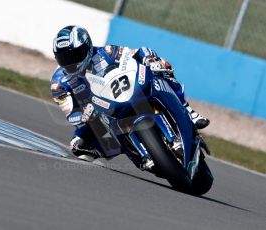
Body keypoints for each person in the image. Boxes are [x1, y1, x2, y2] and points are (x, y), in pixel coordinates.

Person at [50, 25, 210, 169]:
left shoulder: (105, 52)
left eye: (75, 55)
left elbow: (135, 54)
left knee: (157, 62)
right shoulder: (59, 84)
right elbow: (71, 115)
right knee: (78, 146)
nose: (71, 63)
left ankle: (188, 110)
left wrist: (149, 59)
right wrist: (84, 116)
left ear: (87, 47)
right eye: (65, 59)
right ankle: (130, 150)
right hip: (97, 114)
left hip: (124, 94)